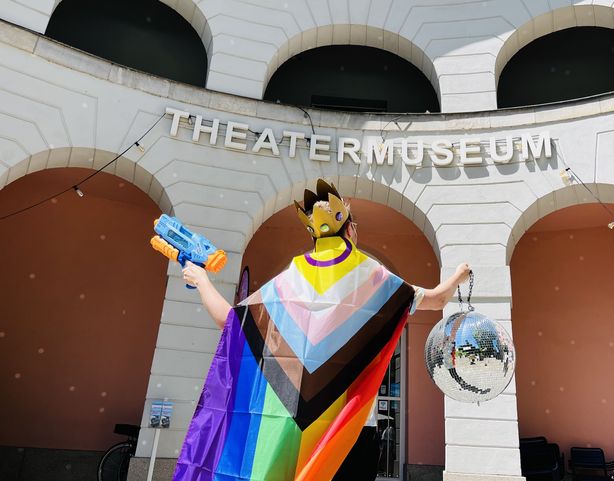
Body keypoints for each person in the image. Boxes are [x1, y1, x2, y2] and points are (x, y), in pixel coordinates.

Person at [176, 179, 470, 481]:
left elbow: (231, 322)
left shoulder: (291, 282)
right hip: (352, 429)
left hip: (296, 437)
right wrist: (459, 276)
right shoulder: (372, 278)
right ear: (350, 229)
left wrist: (202, 281)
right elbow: (437, 300)